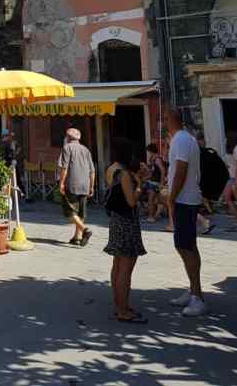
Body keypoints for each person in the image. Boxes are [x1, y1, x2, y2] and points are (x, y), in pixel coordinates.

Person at [166, 108, 206, 317]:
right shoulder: (185, 139)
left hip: (184, 200)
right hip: (187, 199)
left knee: (185, 246)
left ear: (171, 120)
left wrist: (171, 197)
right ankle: (193, 290)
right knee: (188, 245)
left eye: (164, 119)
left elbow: (180, 170)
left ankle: (197, 296)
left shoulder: (180, 140)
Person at [104, 138, 147, 323]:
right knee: (126, 268)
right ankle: (123, 309)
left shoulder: (112, 170)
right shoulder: (125, 175)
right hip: (126, 222)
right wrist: (140, 184)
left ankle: (120, 304)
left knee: (117, 264)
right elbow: (131, 200)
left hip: (116, 220)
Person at [58, 128, 95, 247]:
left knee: (70, 210)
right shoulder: (86, 150)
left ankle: (85, 230)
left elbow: (65, 167)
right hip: (85, 184)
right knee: (81, 212)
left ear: (68, 138)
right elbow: (92, 170)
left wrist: (61, 182)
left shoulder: (67, 148)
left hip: (72, 183)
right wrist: (92, 186)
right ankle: (77, 237)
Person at [144, 143, 167, 222]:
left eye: (148, 151)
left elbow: (162, 170)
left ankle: (151, 217)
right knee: (157, 200)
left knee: (151, 200)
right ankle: (155, 214)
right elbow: (152, 171)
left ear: (151, 150)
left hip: (155, 182)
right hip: (153, 181)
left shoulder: (157, 159)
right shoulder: (152, 158)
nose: (148, 152)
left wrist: (161, 183)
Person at [222, 132, 237, 219]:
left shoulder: (234, 151)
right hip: (231, 178)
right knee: (227, 197)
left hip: (233, 178)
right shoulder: (230, 152)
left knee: (227, 198)